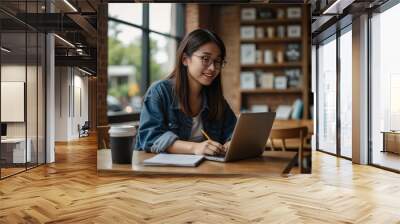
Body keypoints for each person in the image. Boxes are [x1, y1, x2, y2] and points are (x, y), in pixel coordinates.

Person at [135, 28, 237, 156]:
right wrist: (195, 148)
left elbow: (234, 132)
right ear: (185, 59)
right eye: (205, 58)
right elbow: (150, 138)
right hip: (162, 171)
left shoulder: (216, 99)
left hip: (206, 170)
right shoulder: (160, 91)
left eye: (217, 61)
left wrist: (230, 144)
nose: (212, 68)